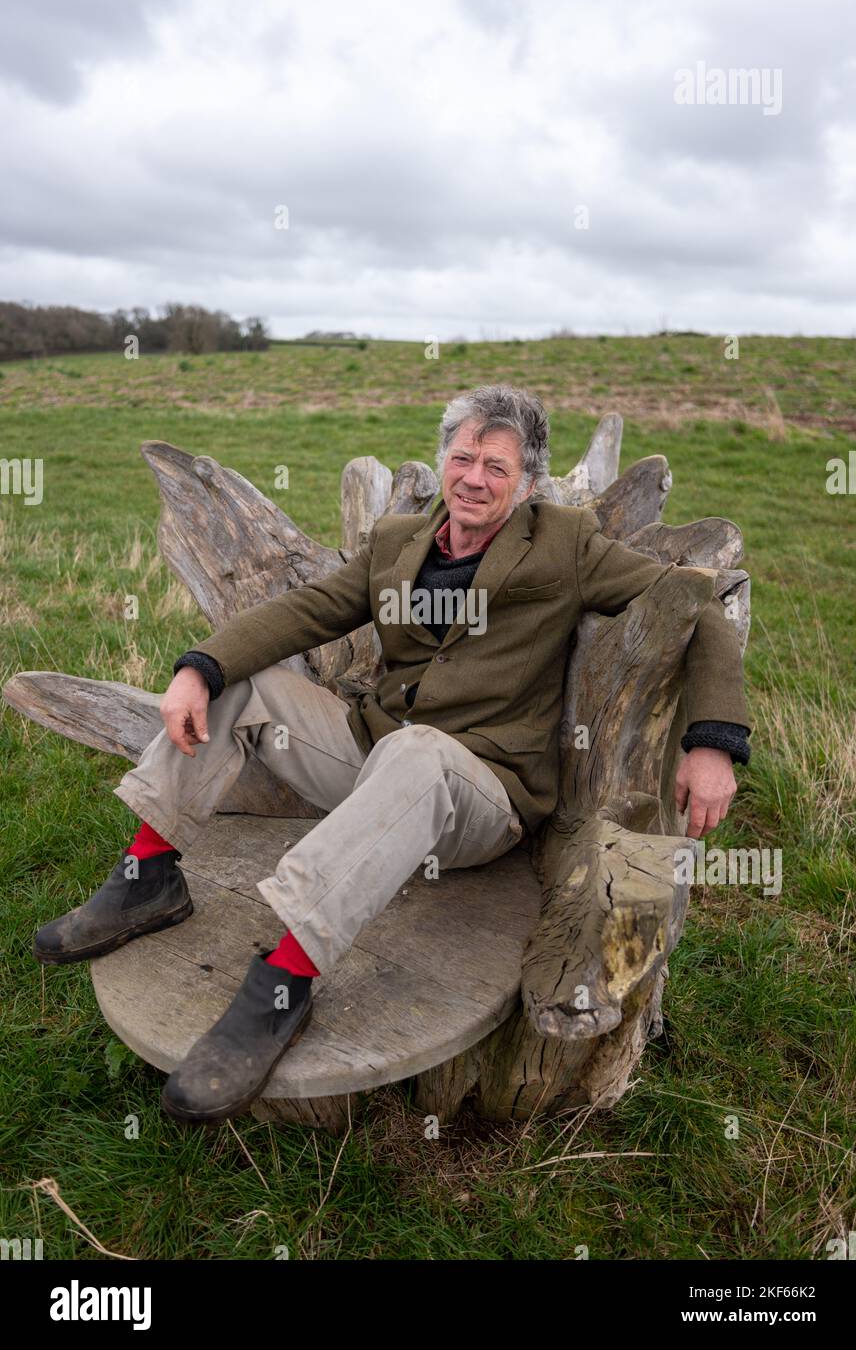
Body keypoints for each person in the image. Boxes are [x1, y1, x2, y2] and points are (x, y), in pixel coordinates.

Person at [33, 384, 751, 1123]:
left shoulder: (567, 544)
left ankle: (283, 983)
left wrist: (714, 742)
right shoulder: (397, 541)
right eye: (464, 457)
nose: (474, 477)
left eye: (496, 467)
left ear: (527, 483)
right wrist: (201, 666)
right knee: (247, 687)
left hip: (479, 797)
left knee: (419, 753)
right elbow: (306, 610)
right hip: (374, 756)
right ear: (444, 460)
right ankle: (147, 875)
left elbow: (699, 603)